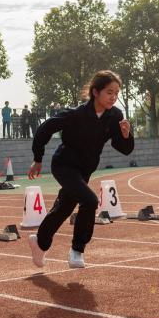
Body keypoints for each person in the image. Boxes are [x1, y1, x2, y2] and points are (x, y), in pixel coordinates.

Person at [27, 70, 134, 269]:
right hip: (64, 165)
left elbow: (124, 149)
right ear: (96, 92)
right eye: (109, 92)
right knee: (91, 200)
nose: (114, 97)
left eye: (116, 93)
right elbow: (45, 129)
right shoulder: (75, 114)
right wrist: (38, 159)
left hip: (85, 170)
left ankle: (40, 243)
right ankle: (77, 250)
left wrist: (127, 135)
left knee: (64, 208)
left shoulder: (115, 116)